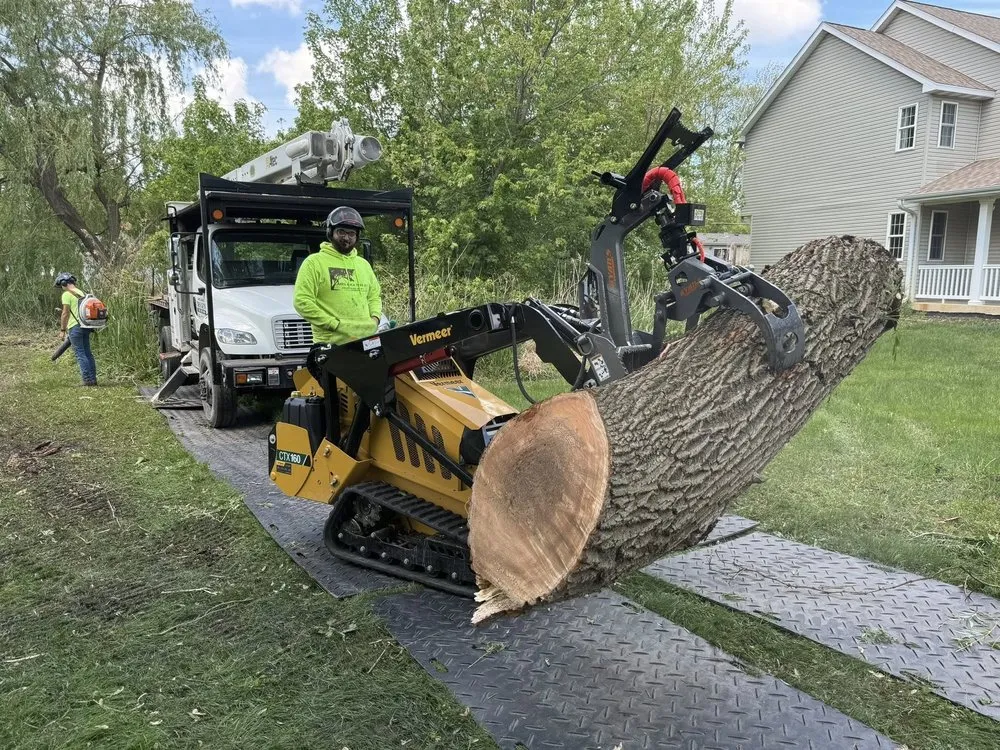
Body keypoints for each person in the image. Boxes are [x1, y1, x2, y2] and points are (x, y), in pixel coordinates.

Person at [294, 206, 383, 345]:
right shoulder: (314, 262)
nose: (346, 238)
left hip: (366, 341)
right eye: (341, 232)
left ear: (357, 236)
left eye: (351, 233)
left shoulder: (363, 265)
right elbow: (302, 301)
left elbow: (374, 296)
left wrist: (375, 319)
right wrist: (333, 324)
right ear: (330, 232)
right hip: (331, 344)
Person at [55, 272, 97, 386]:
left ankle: (87, 380)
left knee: (80, 353)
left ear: (63, 283)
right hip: (86, 325)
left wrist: (62, 330)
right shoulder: (82, 293)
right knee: (88, 353)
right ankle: (93, 379)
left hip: (74, 327)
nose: (62, 288)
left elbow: (65, 313)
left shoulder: (67, 294)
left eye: (61, 285)